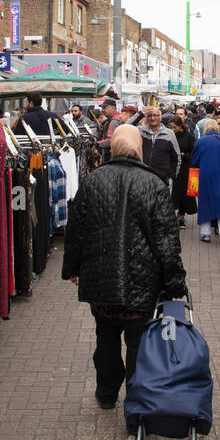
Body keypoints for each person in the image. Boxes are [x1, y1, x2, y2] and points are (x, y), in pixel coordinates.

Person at [62, 124, 187, 410]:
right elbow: (167, 241)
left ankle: (106, 394)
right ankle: (137, 400)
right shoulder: (154, 184)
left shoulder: (93, 181)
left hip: (101, 282)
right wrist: (175, 282)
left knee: (105, 340)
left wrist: (71, 268)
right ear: (139, 150)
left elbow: (76, 230)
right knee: (138, 344)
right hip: (141, 284)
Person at [191, 120, 220, 245]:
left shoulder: (200, 142)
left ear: (205, 129)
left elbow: (194, 160)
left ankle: (206, 234)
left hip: (205, 174)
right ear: (217, 128)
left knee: (205, 202)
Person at [137, 105, 180, 185]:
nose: (152, 118)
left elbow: (176, 157)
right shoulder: (141, 131)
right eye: (149, 115)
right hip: (144, 178)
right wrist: (140, 113)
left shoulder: (169, 134)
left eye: (155, 115)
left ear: (160, 118)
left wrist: (172, 176)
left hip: (163, 180)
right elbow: (125, 126)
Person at [168, 114, 196, 229]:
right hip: (173, 167)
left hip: (185, 168)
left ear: (180, 126)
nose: (172, 130)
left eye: (174, 127)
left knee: (184, 192)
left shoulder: (188, 136)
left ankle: (181, 216)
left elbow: (193, 152)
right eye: (171, 127)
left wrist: (184, 155)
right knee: (174, 192)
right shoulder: (170, 136)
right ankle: (173, 215)